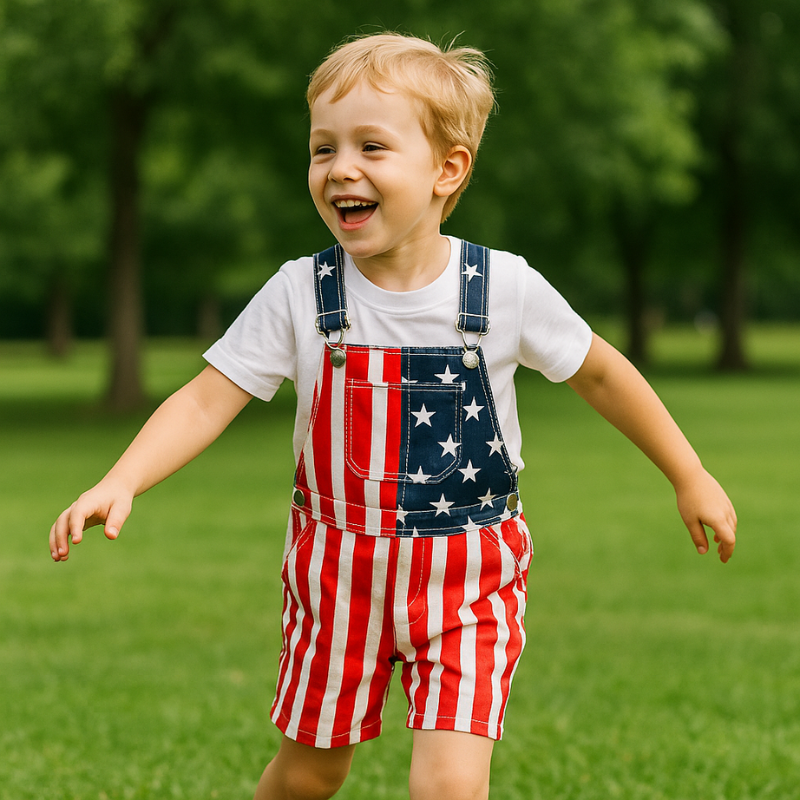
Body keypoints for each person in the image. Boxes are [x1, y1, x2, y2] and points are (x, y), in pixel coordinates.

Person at [50, 32, 737, 800]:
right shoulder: (300, 295)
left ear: (448, 170)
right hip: (336, 580)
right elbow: (209, 397)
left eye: (372, 147)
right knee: (311, 773)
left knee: (449, 783)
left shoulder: (503, 289)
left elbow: (604, 375)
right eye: (323, 149)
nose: (341, 167)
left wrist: (689, 471)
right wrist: (123, 478)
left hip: (470, 578)